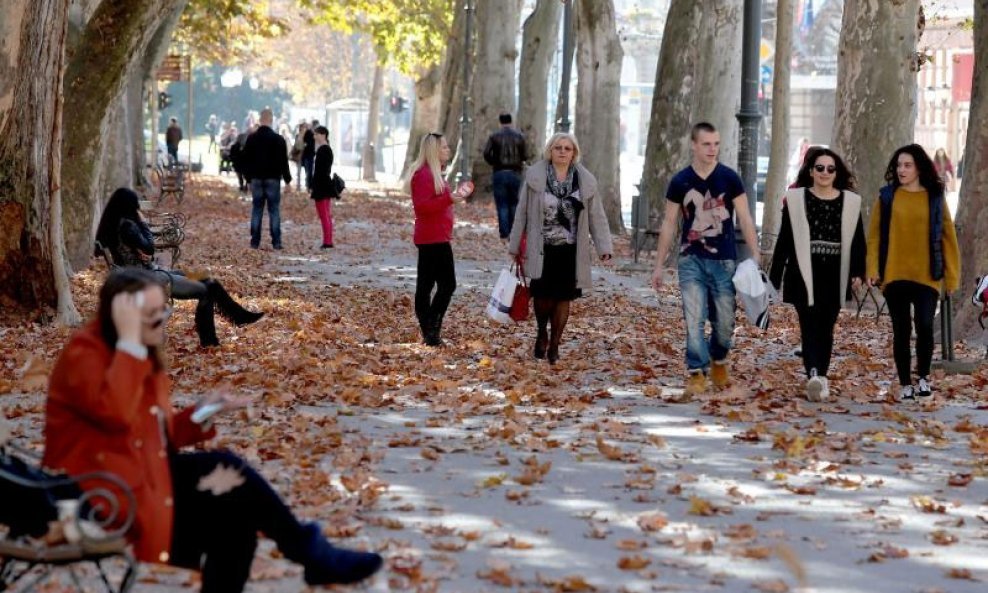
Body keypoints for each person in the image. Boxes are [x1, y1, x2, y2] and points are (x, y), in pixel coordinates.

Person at [42, 269, 383, 593]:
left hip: (137, 477)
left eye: (166, 311)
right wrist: (131, 343)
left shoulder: (137, 354)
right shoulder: (87, 355)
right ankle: (310, 552)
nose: (165, 321)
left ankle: (311, 552)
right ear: (124, 318)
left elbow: (149, 434)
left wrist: (202, 413)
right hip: (100, 494)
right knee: (227, 469)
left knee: (236, 522)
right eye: (155, 315)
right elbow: (114, 415)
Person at [650, 122, 761, 396]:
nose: (713, 149)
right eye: (707, 144)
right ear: (694, 145)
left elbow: (745, 218)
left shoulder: (729, 178)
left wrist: (756, 255)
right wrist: (659, 265)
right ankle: (696, 371)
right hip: (691, 259)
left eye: (716, 144)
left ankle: (719, 358)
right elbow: (669, 223)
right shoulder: (680, 181)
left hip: (724, 261)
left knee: (725, 322)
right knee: (694, 318)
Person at [95, 188, 264, 348]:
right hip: (152, 278)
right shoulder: (128, 226)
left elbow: (144, 251)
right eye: (136, 204)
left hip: (149, 273)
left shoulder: (114, 224)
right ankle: (209, 339)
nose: (138, 208)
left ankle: (238, 316)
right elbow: (149, 248)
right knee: (205, 290)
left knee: (205, 277)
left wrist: (145, 252)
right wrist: (143, 223)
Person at [769, 148, 866, 401]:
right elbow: (785, 240)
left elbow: (858, 241)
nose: (825, 173)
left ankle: (821, 375)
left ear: (837, 173)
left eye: (830, 169)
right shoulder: (796, 199)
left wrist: (858, 272)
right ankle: (813, 373)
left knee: (826, 327)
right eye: (820, 168)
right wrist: (774, 278)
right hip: (803, 271)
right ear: (811, 171)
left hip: (835, 272)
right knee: (809, 325)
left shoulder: (851, 202)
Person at [508, 132, 613, 364]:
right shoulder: (536, 177)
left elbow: (597, 216)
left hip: (570, 250)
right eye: (558, 148)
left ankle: (555, 344)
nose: (563, 152)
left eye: (568, 148)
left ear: (574, 153)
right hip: (542, 248)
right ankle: (541, 332)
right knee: (543, 297)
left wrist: (604, 246)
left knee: (563, 298)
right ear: (550, 151)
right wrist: (515, 244)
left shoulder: (585, 181)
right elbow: (522, 212)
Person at [866, 144, 960, 401]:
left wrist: (951, 277)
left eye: (907, 165)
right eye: (898, 165)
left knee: (926, 326)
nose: (901, 170)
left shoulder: (934, 196)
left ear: (919, 167)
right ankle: (906, 382)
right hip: (894, 274)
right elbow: (874, 237)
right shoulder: (886, 197)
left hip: (927, 275)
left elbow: (947, 237)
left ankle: (924, 377)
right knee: (901, 330)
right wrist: (872, 269)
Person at [404, 133, 473, 346]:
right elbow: (423, 207)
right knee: (445, 285)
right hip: (432, 238)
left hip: (437, 235)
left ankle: (431, 331)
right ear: (434, 151)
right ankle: (431, 327)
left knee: (430, 285)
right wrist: (448, 199)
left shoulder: (435, 174)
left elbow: (437, 202)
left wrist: (450, 199)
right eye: (444, 147)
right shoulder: (423, 174)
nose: (448, 150)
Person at [242, 109, 292, 250]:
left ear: (260, 119)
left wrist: (248, 179)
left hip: (256, 179)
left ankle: (255, 241)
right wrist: (288, 181)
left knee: (257, 209)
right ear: (271, 120)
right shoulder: (278, 139)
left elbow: (246, 160)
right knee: (274, 210)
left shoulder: (252, 138)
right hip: (273, 179)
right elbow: (284, 162)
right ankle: (276, 241)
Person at [483, 113, 528, 240]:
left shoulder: (494, 136)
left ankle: (504, 233)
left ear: (500, 122)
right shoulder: (519, 136)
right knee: (514, 203)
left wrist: (494, 162)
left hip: (499, 172)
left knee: (502, 204)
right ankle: (514, 231)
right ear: (511, 121)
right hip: (515, 173)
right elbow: (525, 155)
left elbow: (486, 153)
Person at [309, 125, 337, 249]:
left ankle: (327, 241)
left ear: (323, 135)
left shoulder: (323, 150)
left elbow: (318, 171)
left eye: (316, 134)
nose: (314, 137)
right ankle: (328, 239)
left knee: (323, 214)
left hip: (321, 185)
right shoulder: (326, 149)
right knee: (326, 214)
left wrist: (313, 185)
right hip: (325, 184)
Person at [291, 121, 309, 190]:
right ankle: (298, 186)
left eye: (304, 127)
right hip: (298, 154)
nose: (302, 129)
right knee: (298, 172)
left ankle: (307, 185)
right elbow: (296, 145)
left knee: (307, 171)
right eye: (301, 127)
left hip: (305, 155)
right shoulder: (297, 135)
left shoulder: (307, 135)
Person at [302, 120, 318, 191]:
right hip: (306, 155)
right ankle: (308, 185)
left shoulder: (316, 134)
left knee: (310, 171)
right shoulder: (308, 132)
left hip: (312, 155)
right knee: (308, 171)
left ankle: (309, 186)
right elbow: (304, 142)